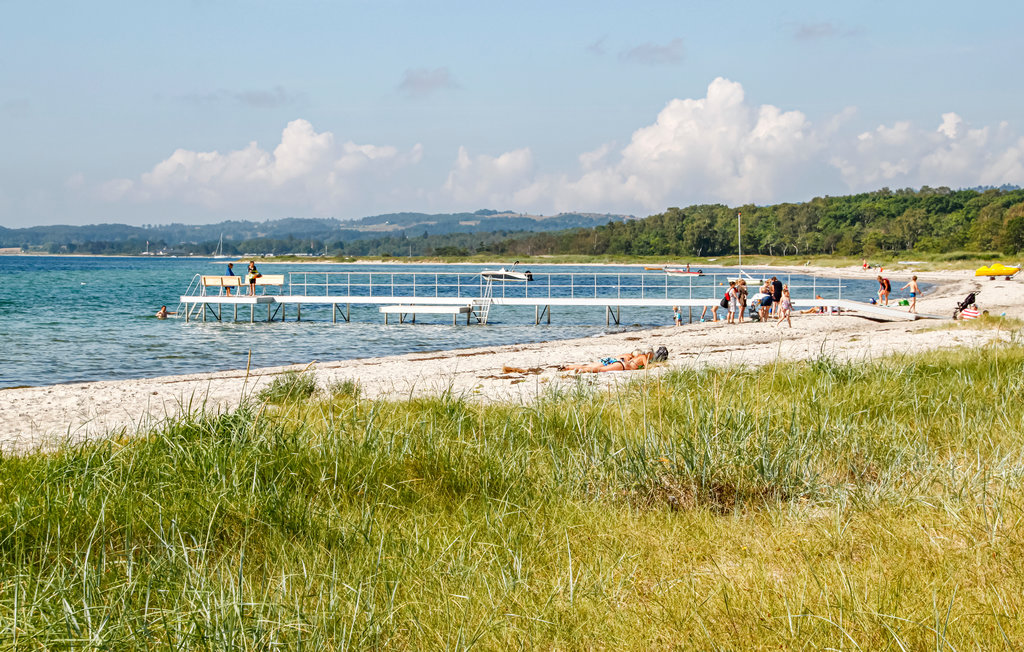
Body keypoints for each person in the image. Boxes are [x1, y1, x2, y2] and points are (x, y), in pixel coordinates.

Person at [560, 349, 655, 374]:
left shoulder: (630, 357)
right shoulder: (643, 357)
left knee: (588, 365)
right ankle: (582, 371)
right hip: (621, 365)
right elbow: (647, 368)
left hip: (614, 360)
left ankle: (567, 367)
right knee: (600, 370)